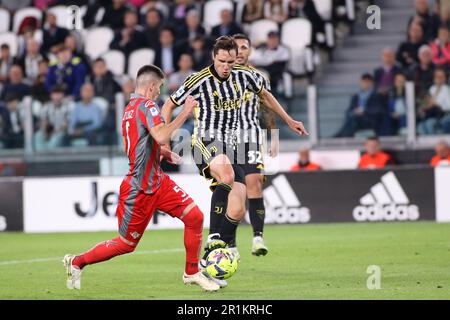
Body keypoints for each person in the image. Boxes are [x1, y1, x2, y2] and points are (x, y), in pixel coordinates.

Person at [162, 36, 308, 287]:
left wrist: (289, 120)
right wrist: (165, 139)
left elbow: (266, 96)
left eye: (230, 61)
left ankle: (212, 257)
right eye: (222, 61)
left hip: (232, 146)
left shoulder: (246, 76)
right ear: (213, 57)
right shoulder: (198, 80)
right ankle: (215, 238)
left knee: (238, 209)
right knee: (227, 176)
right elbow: (168, 104)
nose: (226, 66)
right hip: (204, 141)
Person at [62, 65, 220, 292]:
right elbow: (161, 135)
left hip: (158, 180)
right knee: (126, 244)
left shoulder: (130, 108)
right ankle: (77, 261)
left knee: (194, 216)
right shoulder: (147, 105)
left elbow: (141, 142)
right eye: (160, 87)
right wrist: (185, 112)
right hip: (139, 188)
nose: (159, 92)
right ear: (152, 86)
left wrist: (163, 152)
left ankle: (192, 272)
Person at [227, 33, 278, 259]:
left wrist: (274, 137)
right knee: (232, 189)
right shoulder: (222, 75)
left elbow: (267, 107)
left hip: (251, 137)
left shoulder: (258, 77)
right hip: (226, 138)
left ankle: (258, 237)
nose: (240, 51)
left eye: (244, 47)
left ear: (250, 51)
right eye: (235, 47)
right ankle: (230, 243)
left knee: (254, 183)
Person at [250, 31, 290, 95]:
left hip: (275, 71)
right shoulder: (263, 49)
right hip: (261, 68)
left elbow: (272, 61)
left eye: (274, 39)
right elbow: (254, 58)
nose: (272, 41)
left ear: (278, 40)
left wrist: (259, 62)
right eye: (270, 39)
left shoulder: (283, 50)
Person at [34, 85, 72, 150]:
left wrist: (56, 131)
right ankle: (40, 158)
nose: (57, 96)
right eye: (55, 94)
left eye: (59, 93)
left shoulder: (69, 105)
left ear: (63, 95)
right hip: (49, 131)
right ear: (51, 95)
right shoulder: (46, 106)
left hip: (64, 132)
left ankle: (49, 157)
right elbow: (43, 121)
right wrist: (45, 131)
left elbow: (66, 123)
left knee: (57, 136)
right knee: (38, 135)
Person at [418, 67, 450, 134]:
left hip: (441, 115)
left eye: (441, 77)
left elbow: (448, 107)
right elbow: (425, 102)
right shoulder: (432, 88)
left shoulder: (447, 89)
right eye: (437, 76)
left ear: (445, 78)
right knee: (420, 126)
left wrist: (436, 104)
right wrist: (424, 105)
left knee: (430, 124)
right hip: (430, 114)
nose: (439, 79)